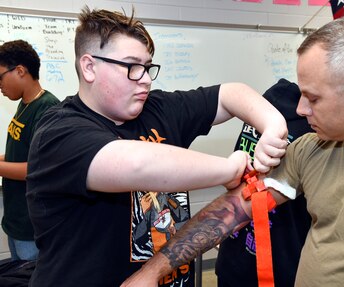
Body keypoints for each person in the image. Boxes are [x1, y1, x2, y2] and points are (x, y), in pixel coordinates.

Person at [124, 15, 344, 287]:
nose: (300, 108)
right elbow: (235, 210)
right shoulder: (314, 149)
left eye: (313, 98)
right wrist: (151, 272)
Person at [25, 6, 288, 287]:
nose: (146, 79)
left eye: (148, 67)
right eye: (132, 67)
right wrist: (228, 168)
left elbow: (230, 94)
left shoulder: (157, 108)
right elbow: (136, 164)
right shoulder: (58, 130)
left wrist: (273, 125)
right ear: (90, 67)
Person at [215, 78, 313, 287]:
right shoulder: (310, 129)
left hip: (235, 255)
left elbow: (236, 180)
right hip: (280, 263)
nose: (305, 108)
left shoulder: (263, 111)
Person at [0, 40, 60, 261]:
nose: (0, 85)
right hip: (16, 220)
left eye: (0, 77)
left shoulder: (47, 108)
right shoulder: (24, 103)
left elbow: (37, 168)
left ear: (20, 71)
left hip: (31, 226)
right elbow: (22, 152)